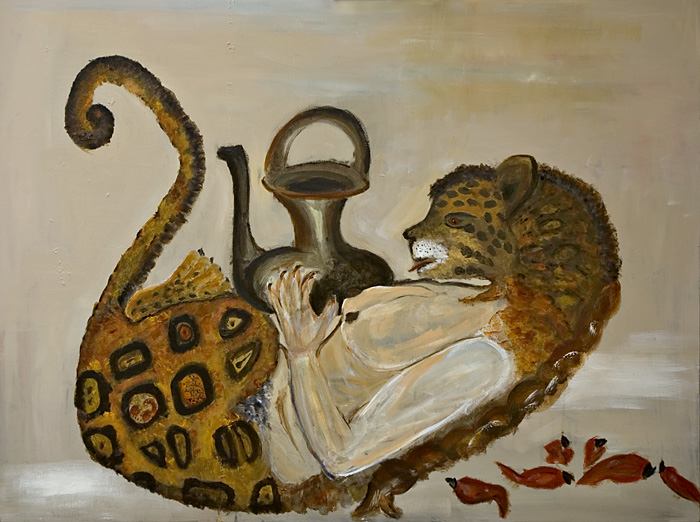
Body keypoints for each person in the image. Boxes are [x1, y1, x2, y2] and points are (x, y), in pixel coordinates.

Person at [263, 266, 517, 483]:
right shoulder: (478, 289)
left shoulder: (483, 363)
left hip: (273, 433)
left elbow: (339, 456)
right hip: (264, 362)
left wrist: (302, 355)